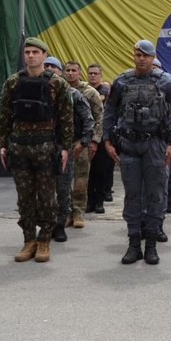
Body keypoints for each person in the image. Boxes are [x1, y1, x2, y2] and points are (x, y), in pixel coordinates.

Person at [102, 40, 171, 266]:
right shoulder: (121, 82)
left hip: (155, 145)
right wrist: (107, 139)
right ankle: (133, 244)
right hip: (129, 144)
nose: (141, 59)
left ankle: (151, 245)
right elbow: (109, 110)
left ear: (153, 58)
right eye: (137, 54)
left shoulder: (166, 82)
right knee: (132, 195)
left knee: (156, 194)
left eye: (145, 55)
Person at [0, 38, 73, 262]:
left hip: (46, 148)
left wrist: (66, 148)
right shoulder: (12, 83)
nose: (30, 56)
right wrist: (3, 145)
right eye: (27, 52)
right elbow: (4, 116)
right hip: (19, 147)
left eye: (35, 52)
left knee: (48, 198)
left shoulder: (57, 84)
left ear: (44, 55)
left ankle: (44, 240)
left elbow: (66, 118)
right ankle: (29, 240)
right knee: (25, 198)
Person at [43, 57, 94, 243]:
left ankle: (64, 221)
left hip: (67, 146)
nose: (49, 69)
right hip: (42, 146)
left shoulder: (73, 94)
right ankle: (47, 223)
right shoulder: (39, 91)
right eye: (46, 66)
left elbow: (89, 120)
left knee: (65, 187)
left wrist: (84, 142)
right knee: (44, 188)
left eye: (53, 67)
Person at [64, 60, 103, 226]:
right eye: (68, 70)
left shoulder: (90, 92)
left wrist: (94, 141)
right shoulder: (59, 89)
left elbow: (99, 117)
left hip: (82, 142)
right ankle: (66, 213)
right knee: (63, 181)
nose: (70, 73)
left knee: (81, 179)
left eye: (74, 70)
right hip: (63, 143)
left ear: (79, 73)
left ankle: (79, 212)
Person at [87, 63, 114, 212]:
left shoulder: (107, 92)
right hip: (87, 135)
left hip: (102, 136)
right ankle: (89, 201)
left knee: (101, 170)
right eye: (90, 73)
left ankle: (99, 201)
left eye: (95, 73)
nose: (93, 76)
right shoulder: (84, 91)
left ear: (100, 75)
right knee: (88, 171)